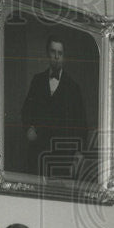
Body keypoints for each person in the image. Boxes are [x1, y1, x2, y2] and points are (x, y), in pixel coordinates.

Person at [21, 35, 88, 178]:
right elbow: (26, 110)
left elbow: (82, 124)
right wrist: (29, 128)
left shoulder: (73, 87)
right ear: (48, 53)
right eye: (53, 52)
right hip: (38, 152)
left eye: (60, 53)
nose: (56, 56)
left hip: (62, 157)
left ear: (64, 56)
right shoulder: (37, 80)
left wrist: (78, 154)